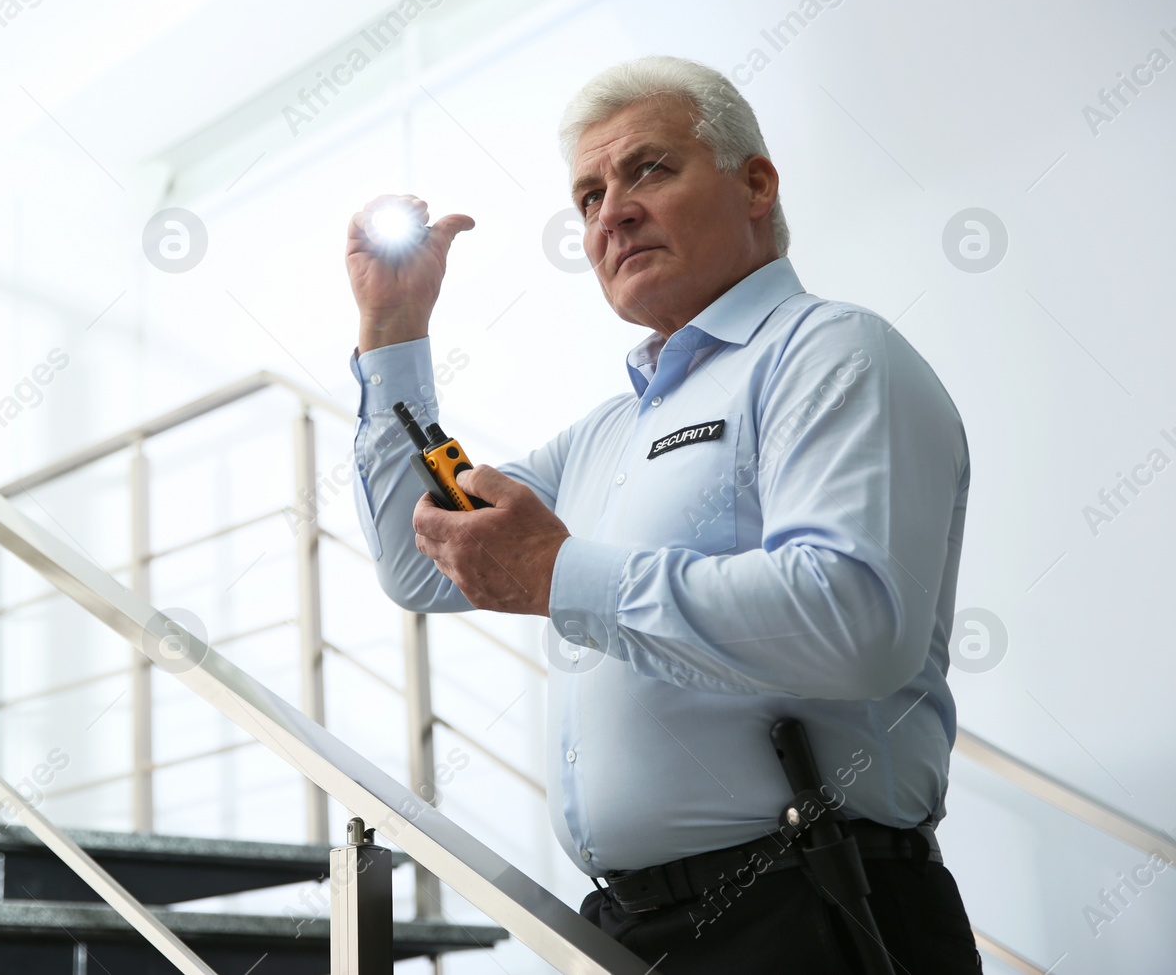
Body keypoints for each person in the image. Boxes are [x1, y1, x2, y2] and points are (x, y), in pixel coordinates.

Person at [342, 55, 983, 972]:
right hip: (629, 934)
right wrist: (392, 330)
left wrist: (562, 574)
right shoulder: (605, 435)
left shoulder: (831, 353)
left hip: (812, 913)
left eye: (648, 169)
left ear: (754, 183)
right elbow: (423, 562)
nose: (613, 212)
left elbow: (857, 621)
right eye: (589, 196)